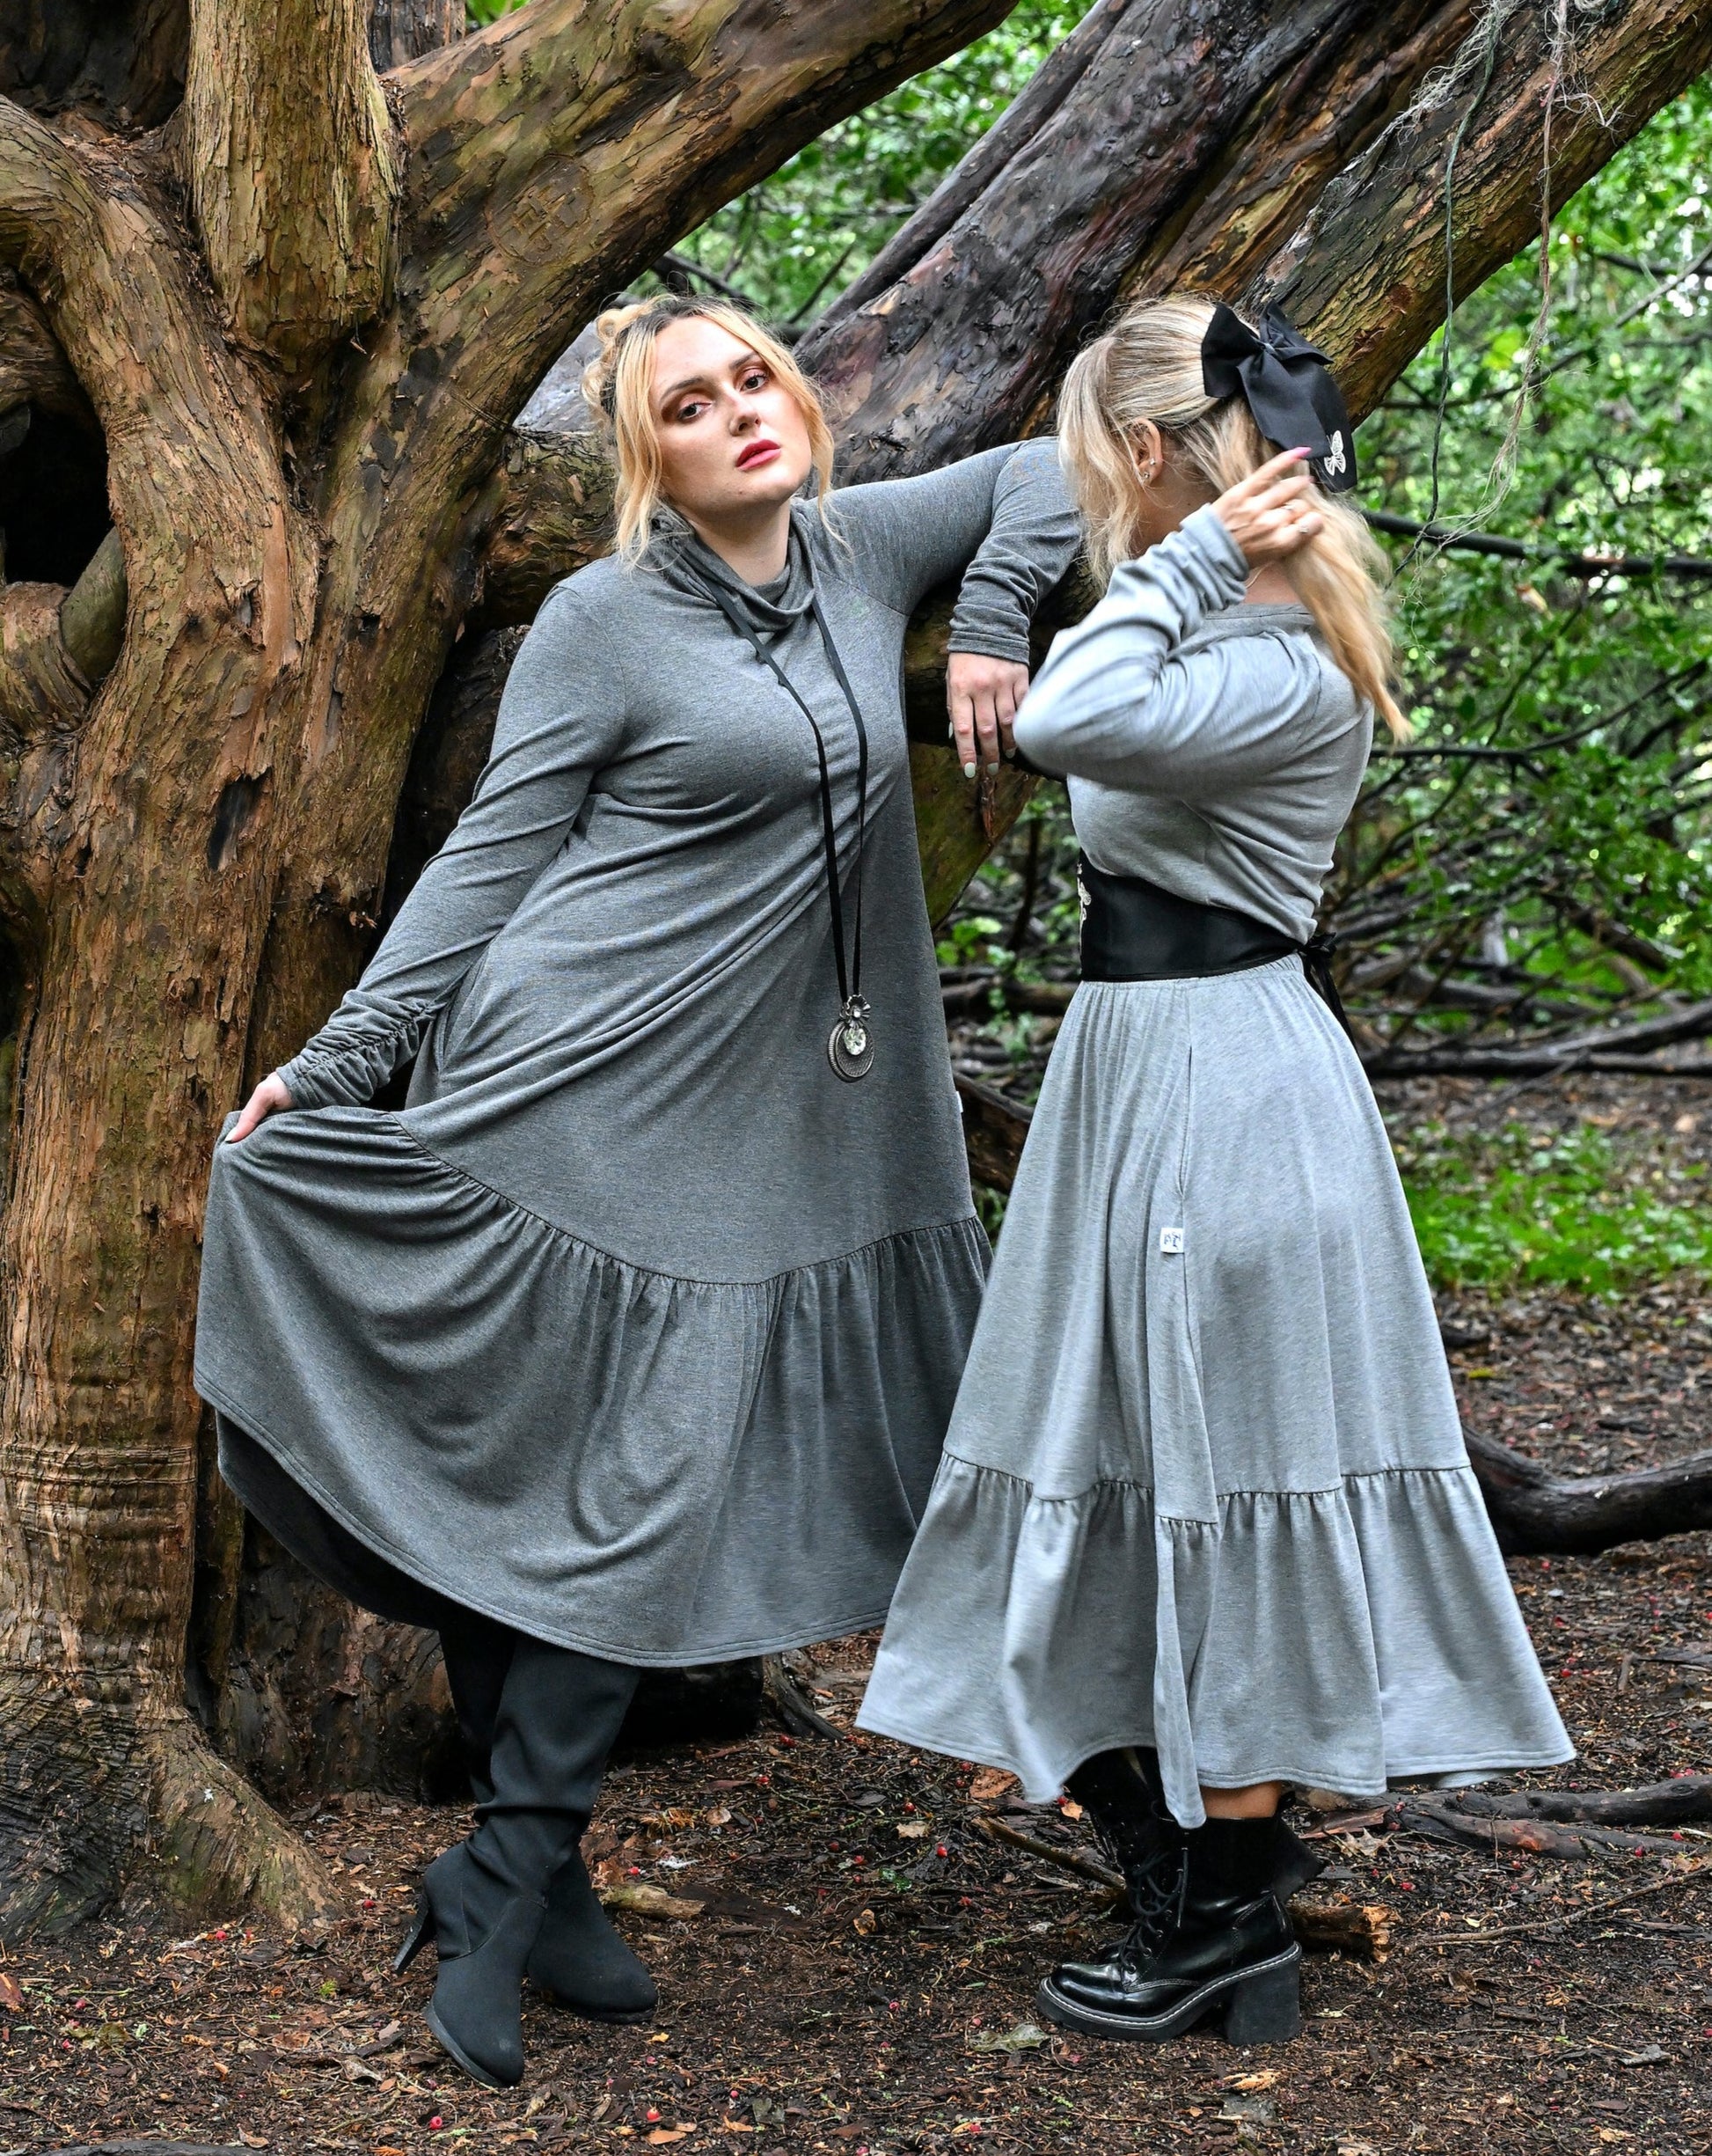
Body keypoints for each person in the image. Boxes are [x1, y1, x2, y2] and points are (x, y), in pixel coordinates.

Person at [195, 292, 1080, 2088]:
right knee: (586, 1477)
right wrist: (344, 1064)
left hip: (760, 1117)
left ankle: (516, 1872)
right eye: (692, 405)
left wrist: (988, 623)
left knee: (615, 1481)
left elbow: (1061, 463)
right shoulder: (602, 622)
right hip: (575, 1083)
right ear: (646, 460)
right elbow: (486, 866)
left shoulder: (859, 548)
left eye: (756, 375)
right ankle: (519, 1870)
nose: (744, 412)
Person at [858, 296, 1571, 2047]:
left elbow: (1068, 720)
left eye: (1113, 463)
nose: (1092, 497)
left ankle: (1226, 1930)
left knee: (1220, 1477)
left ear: (1168, 462)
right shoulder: (1222, 625)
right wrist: (1021, 599)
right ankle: (1196, 1882)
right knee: (1133, 1461)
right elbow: (1038, 552)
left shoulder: (1257, 652)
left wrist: (1178, 567)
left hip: (1220, 1095)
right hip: (1151, 1074)